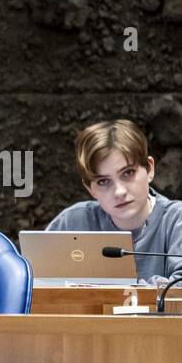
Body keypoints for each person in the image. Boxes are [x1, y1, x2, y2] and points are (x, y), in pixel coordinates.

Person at [46, 119, 182, 284]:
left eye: (128, 173)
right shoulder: (71, 223)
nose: (119, 191)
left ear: (149, 169)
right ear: (90, 189)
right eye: (103, 181)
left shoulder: (176, 220)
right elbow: (33, 286)